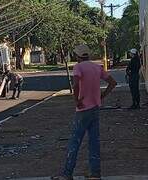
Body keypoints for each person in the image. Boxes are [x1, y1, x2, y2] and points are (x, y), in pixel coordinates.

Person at [52, 45, 117, 180]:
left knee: (74, 142)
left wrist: (76, 101)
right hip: (95, 108)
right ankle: (95, 174)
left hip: (82, 109)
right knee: (94, 142)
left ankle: (67, 174)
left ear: (78, 56)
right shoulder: (97, 67)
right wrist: (102, 96)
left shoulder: (78, 67)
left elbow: (75, 84)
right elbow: (113, 82)